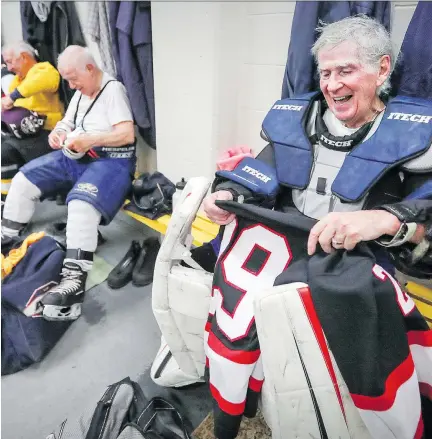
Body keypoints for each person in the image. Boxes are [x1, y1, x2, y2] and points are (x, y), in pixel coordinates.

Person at [199, 15, 432, 439]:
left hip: (358, 260)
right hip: (287, 246)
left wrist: (384, 219)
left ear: (382, 70)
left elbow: (426, 222)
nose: (332, 84)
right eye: (326, 72)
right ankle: (244, 396)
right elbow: (258, 175)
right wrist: (229, 197)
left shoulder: (411, 132)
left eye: (346, 70)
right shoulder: (299, 116)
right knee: (241, 288)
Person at [1, 45, 136, 321]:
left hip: (111, 161)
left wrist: (91, 139)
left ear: (90, 68)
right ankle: (7, 236)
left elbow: (126, 134)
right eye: (68, 80)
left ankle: (74, 278)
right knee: (24, 178)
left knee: (80, 204)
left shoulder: (113, 91)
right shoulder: (79, 92)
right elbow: (67, 121)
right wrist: (60, 133)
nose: (71, 85)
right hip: (75, 156)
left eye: (74, 78)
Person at [1, 41, 64, 202]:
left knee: (4, 153)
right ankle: (9, 200)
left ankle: (7, 206)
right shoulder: (19, 79)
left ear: (23, 57)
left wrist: (13, 97)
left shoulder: (44, 70)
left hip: (46, 134)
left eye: (9, 61)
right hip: (26, 134)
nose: (8, 68)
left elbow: (40, 81)